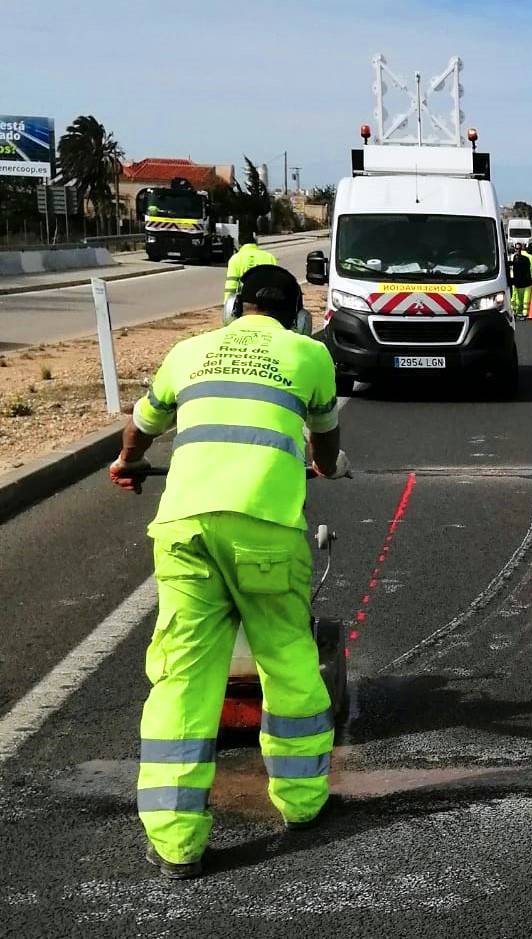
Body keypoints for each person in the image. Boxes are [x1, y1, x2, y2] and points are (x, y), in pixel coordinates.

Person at [109, 264, 349, 880]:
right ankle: (302, 805)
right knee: (289, 661)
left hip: (185, 530)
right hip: (266, 531)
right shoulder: (308, 355)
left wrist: (126, 462)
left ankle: (175, 843)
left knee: (183, 680)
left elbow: (143, 424)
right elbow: (324, 442)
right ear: (296, 313)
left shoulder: (187, 352)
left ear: (236, 308)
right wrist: (322, 465)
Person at [223, 232, 278, 301]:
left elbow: (231, 286)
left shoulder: (235, 259)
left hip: (245, 304)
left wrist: (227, 305)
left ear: (239, 244)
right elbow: (275, 283)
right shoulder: (270, 257)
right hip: (266, 302)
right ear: (255, 242)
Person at [509, 242, 532, 318]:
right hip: (525, 281)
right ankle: (522, 311)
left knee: (517, 297)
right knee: (523, 297)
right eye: (517, 249)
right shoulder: (528, 256)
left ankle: (517, 311)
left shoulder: (513, 257)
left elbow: (531, 269)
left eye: (518, 249)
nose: (518, 250)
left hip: (518, 280)